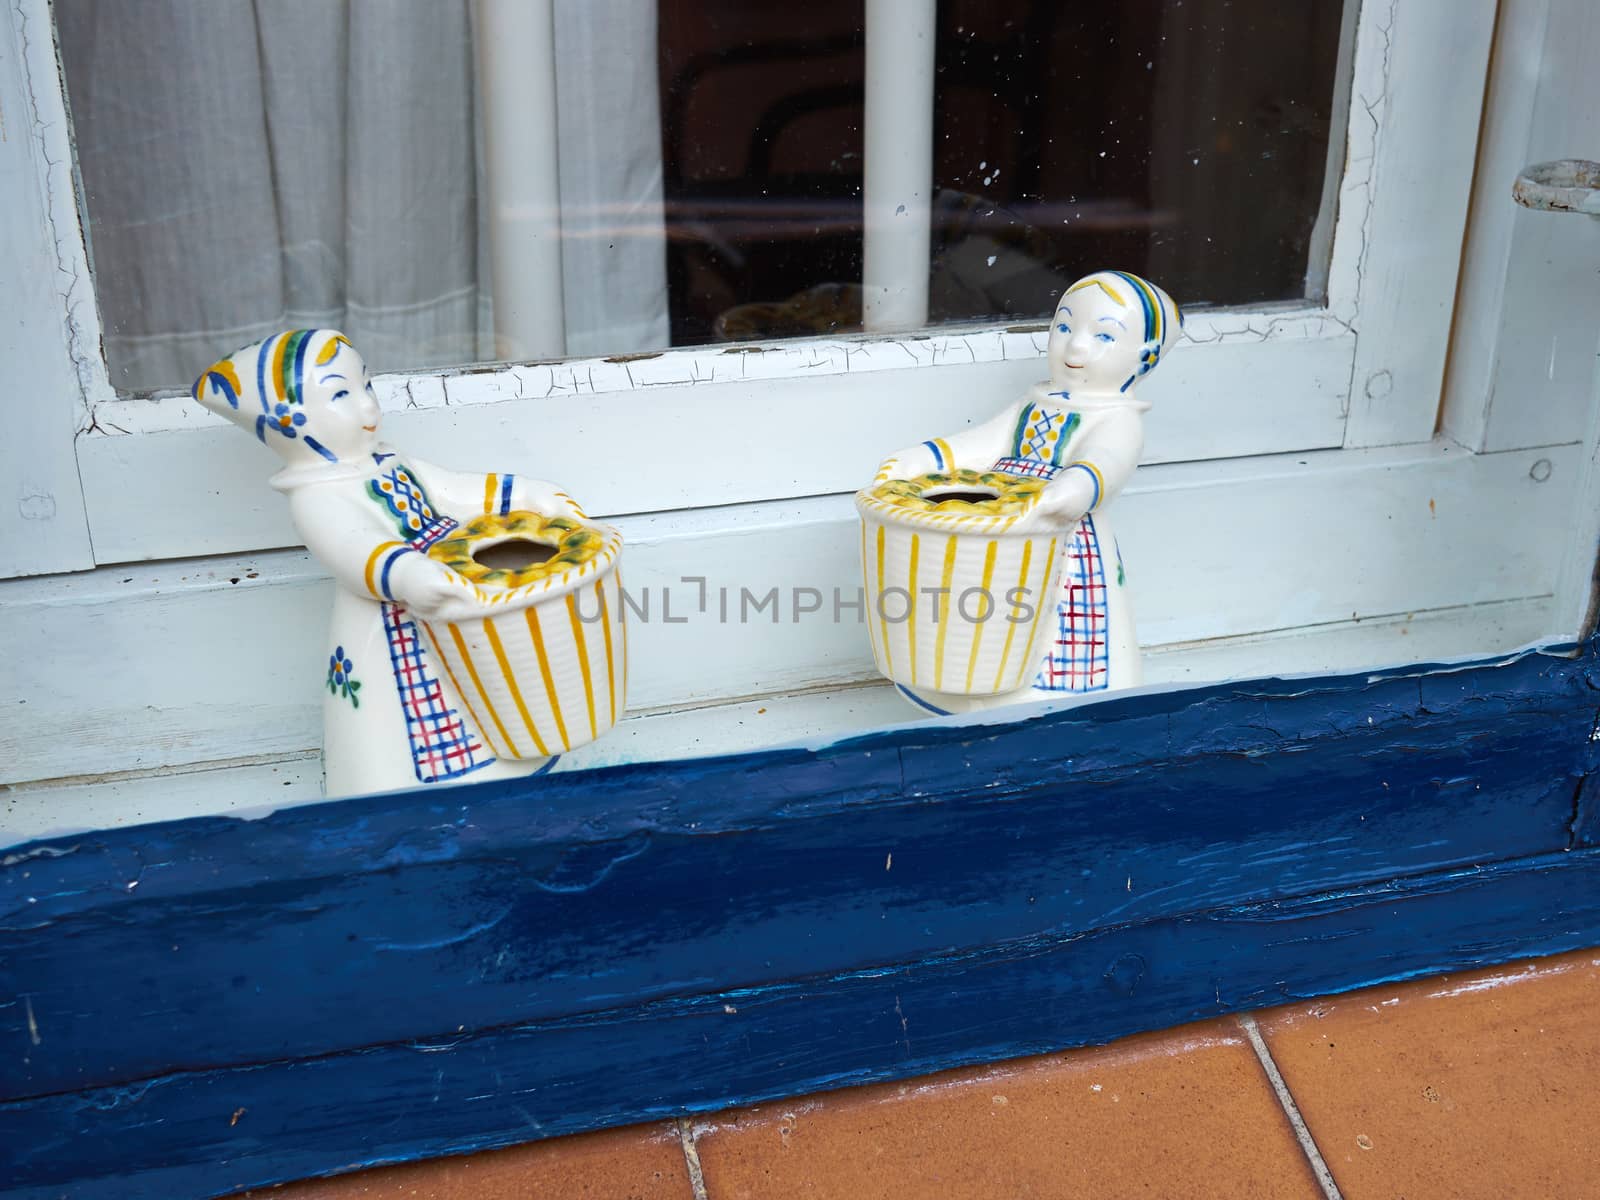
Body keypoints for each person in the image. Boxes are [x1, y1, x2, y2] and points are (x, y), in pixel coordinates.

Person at [193, 329, 585, 796]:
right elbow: (354, 547)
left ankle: (498, 767)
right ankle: (393, 787)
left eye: (365, 385)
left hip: (450, 609)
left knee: (478, 692)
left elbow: (453, 490)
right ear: (287, 421)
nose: (367, 407)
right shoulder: (318, 498)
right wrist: (407, 573)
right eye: (340, 394)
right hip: (392, 622)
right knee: (405, 711)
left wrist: (523, 493)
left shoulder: (390, 462)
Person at [873, 270, 1181, 709]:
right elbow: (984, 440)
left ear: (1144, 357)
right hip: (1002, 530)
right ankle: (959, 684)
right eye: (1064, 326)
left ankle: (1051, 693)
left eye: (1104, 336)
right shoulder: (1034, 403)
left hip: (1060, 535)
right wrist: (924, 458)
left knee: (1050, 616)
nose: (1075, 345)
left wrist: (1072, 488)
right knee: (981, 609)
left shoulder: (1117, 419)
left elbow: (1106, 462)